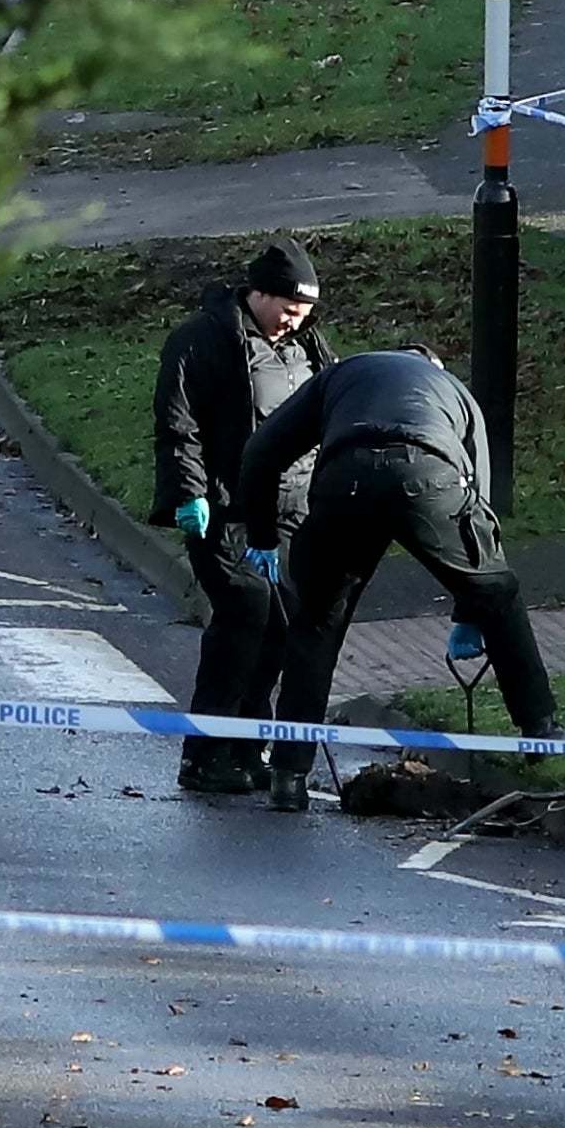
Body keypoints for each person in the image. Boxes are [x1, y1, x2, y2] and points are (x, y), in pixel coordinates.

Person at [237, 346, 565, 813]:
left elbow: (261, 450)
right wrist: (471, 607)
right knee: (498, 591)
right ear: (433, 366)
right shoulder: (454, 391)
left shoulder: (340, 375)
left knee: (316, 624)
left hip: (346, 480)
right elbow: (479, 503)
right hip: (428, 475)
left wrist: (261, 535)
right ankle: (541, 731)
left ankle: (288, 775)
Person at [151, 237, 335, 794]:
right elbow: (177, 426)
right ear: (257, 293)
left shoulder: (309, 347)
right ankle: (204, 755)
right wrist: (190, 493)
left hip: (289, 513)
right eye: (286, 310)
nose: (292, 323)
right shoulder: (200, 341)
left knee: (282, 629)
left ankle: (246, 746)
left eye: (303, 315)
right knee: (246, 613)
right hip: (223, 510)